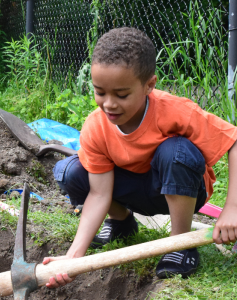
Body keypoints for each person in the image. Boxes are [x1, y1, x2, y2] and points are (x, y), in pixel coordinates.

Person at [43, 27, 237, 287]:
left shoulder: (175, 111)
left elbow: (233, 141)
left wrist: (232, 209)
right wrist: (73, 257)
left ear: (149, 85)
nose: (109, 104)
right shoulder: (96, 126)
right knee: (72, 171)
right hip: (134, 191)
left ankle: (179, 244)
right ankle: (121, 223)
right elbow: (100, 193)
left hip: (180, 189)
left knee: (175, 151)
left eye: (121, 95)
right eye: (100, 92)